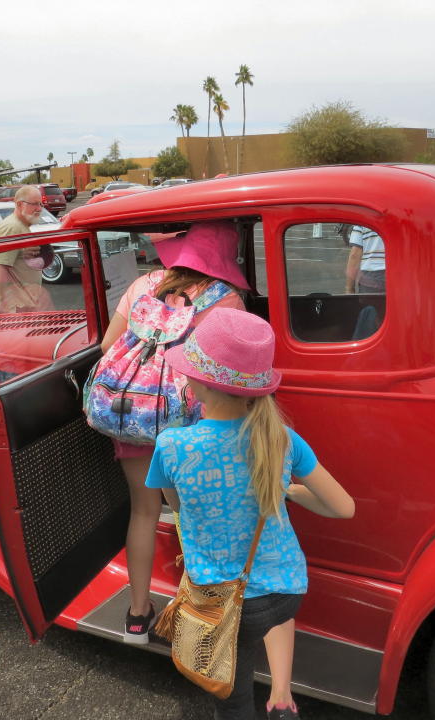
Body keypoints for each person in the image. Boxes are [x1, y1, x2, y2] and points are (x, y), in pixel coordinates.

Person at [147, 308, 355, 720]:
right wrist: (287, 490)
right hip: (286, 590)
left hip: (222, 600)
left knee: (233, 694)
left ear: (200, 384)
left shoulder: (171, 446)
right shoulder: (281, 439)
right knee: (271, 611)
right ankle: (281, 697)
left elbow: (179, 507)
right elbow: (343, 507)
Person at [99, 221, 247, 643]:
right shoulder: (226, 299)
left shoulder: (144, 285)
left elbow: (108, 345)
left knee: (143, 512)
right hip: (191, 426)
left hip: (133, 416)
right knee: (193, 515)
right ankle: (199, 614)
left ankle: (137, 616)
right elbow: (228, 373)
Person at [0, 185, 54, 314]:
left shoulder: (21, 226)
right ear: (19, 204)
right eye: (34, 204)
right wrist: (5, 309)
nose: (39, 209)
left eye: (40, 204)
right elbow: (0, 269)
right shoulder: (12, 228)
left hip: (25, 306)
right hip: (16, 309)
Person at [344, 225, 385, 293]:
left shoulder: (362, 223)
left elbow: (355, 255)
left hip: (371, 278)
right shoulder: (401, 219)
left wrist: (349, 288)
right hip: (398, 276)